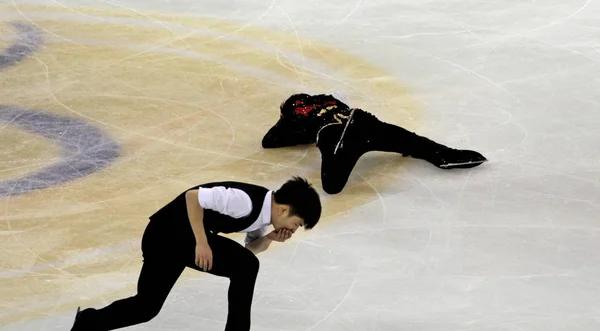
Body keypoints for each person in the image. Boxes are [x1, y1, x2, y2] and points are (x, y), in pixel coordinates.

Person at [71, 176, 322, 331]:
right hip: (165, 235)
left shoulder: (263, 217)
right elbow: (193, 197)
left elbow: (249, 252)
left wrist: (268, 238)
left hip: (175, 240)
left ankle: (88, 323)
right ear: (284, 210)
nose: (293, 230)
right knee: (147, 308)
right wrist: (201, 242)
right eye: (297, 223)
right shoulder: (245, 201)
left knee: (146, 308)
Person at [262, 93, 488, 194]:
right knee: (413, 142)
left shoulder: (295, 114)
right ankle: (446, 155)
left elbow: (269, 142)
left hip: (334, 134)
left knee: (331, 186)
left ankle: (346, 144)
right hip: (362, 120)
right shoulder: (329, 99)